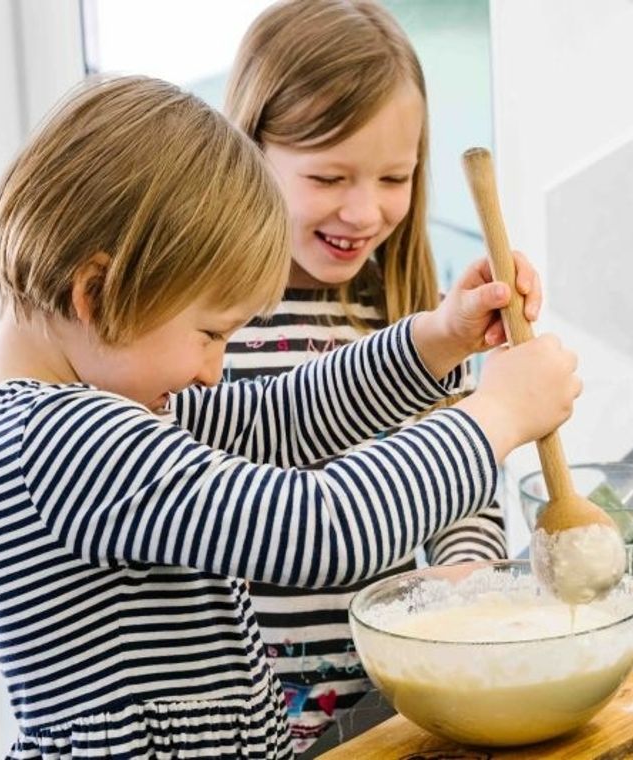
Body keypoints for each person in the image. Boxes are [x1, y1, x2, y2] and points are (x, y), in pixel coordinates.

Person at [0, 74, 577, 759]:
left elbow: (282, 417)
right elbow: (324, 527)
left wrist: (436, 339)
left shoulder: (86, 416)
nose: (214, 370)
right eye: (211, 334)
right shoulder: (65, 442)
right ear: (96, 292)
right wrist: (499, 415)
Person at [222, 1, 518, 748]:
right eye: (327, 176)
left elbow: (461, 483)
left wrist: (469, 573)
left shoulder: (402, 306)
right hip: (247, 719)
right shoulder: (197, 323)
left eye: (394, 177)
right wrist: (505, 412)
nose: (364, 211)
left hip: (382, 702)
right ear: (246, 148)